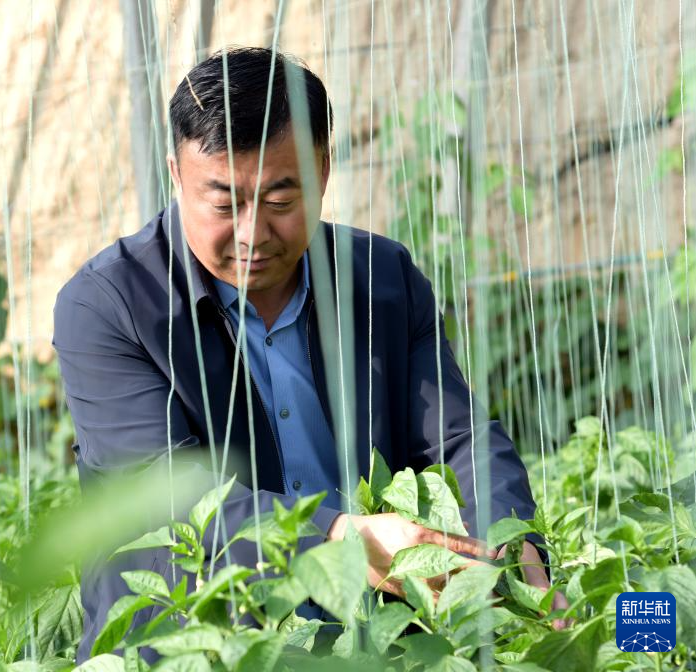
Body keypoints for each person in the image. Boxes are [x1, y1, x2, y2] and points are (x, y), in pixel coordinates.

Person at [53, 46, 565, 663]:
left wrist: (510, 546)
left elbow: (459, 440)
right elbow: (164, 491)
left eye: (279, 201)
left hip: (376, 642)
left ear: (323, 171)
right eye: (224, 203)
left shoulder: (381, 280)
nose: (252, 234)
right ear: (176, 176)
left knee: (640, 628)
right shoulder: (110, 306)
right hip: (199, 646)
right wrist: (337, 537)